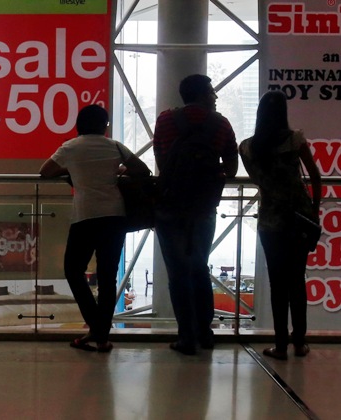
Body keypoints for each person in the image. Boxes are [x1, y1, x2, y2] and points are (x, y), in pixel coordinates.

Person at [40, 104, 150, 352]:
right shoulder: (114, 146)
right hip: (114, 216)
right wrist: (120, 169)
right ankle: (101, 333)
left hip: (85, 216)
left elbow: (45, 171)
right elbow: (142, 170)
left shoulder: (70, 147)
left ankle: (97, 328)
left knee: (73, 270)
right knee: (108, 276)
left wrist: (75, 170)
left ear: (79, 125)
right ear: (105, 126)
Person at [153, 74, 239, 355]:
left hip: (169, 207)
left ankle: (185, 337)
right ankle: (205, 332)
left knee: (177, 273)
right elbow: (232, 168)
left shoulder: (165, 121)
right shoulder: (221, 124)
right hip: (203, 208)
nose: (215, 97)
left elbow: (161, 160)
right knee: (200, 267)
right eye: (212, 91)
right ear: (202, 94)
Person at [239, 90, 321, 360]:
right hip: (299, 218)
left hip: (270, 220)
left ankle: (280, 345)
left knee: (277, 283)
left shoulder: (247, 147)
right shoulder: (295, 139)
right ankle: (300, 342)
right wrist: (314, 209)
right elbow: (315, 176)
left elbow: (258, 181)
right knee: (297, 279)